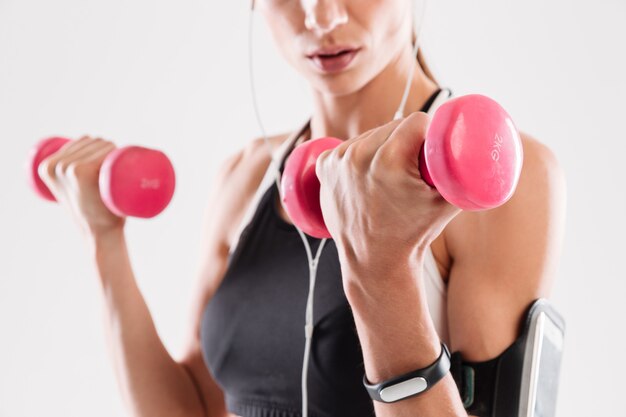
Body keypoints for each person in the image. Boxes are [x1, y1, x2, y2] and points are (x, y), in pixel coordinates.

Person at [38, 0, 566, 416]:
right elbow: (191, 409)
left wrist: (382, 272)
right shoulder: (244, 178)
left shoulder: (496, 180)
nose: (321, 15)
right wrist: (104, 239)